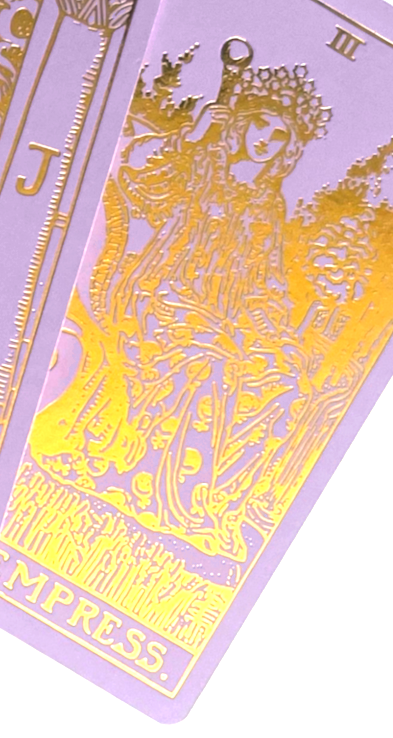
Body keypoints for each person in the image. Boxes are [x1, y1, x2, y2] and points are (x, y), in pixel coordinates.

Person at [34, 47, 330, 560]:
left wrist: (279, 337)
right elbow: (138, 182)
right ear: (243, 124)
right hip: (160, 294)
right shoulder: (201, 161)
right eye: (261, 124)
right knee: (208, 360)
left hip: (227, 319)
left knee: (285, 382)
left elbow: (266, 281)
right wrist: (189, 138)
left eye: (280, 135)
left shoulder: (268, 203)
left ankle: (207, 505)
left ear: (289, 149)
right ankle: (147, 487)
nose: (265, 139)